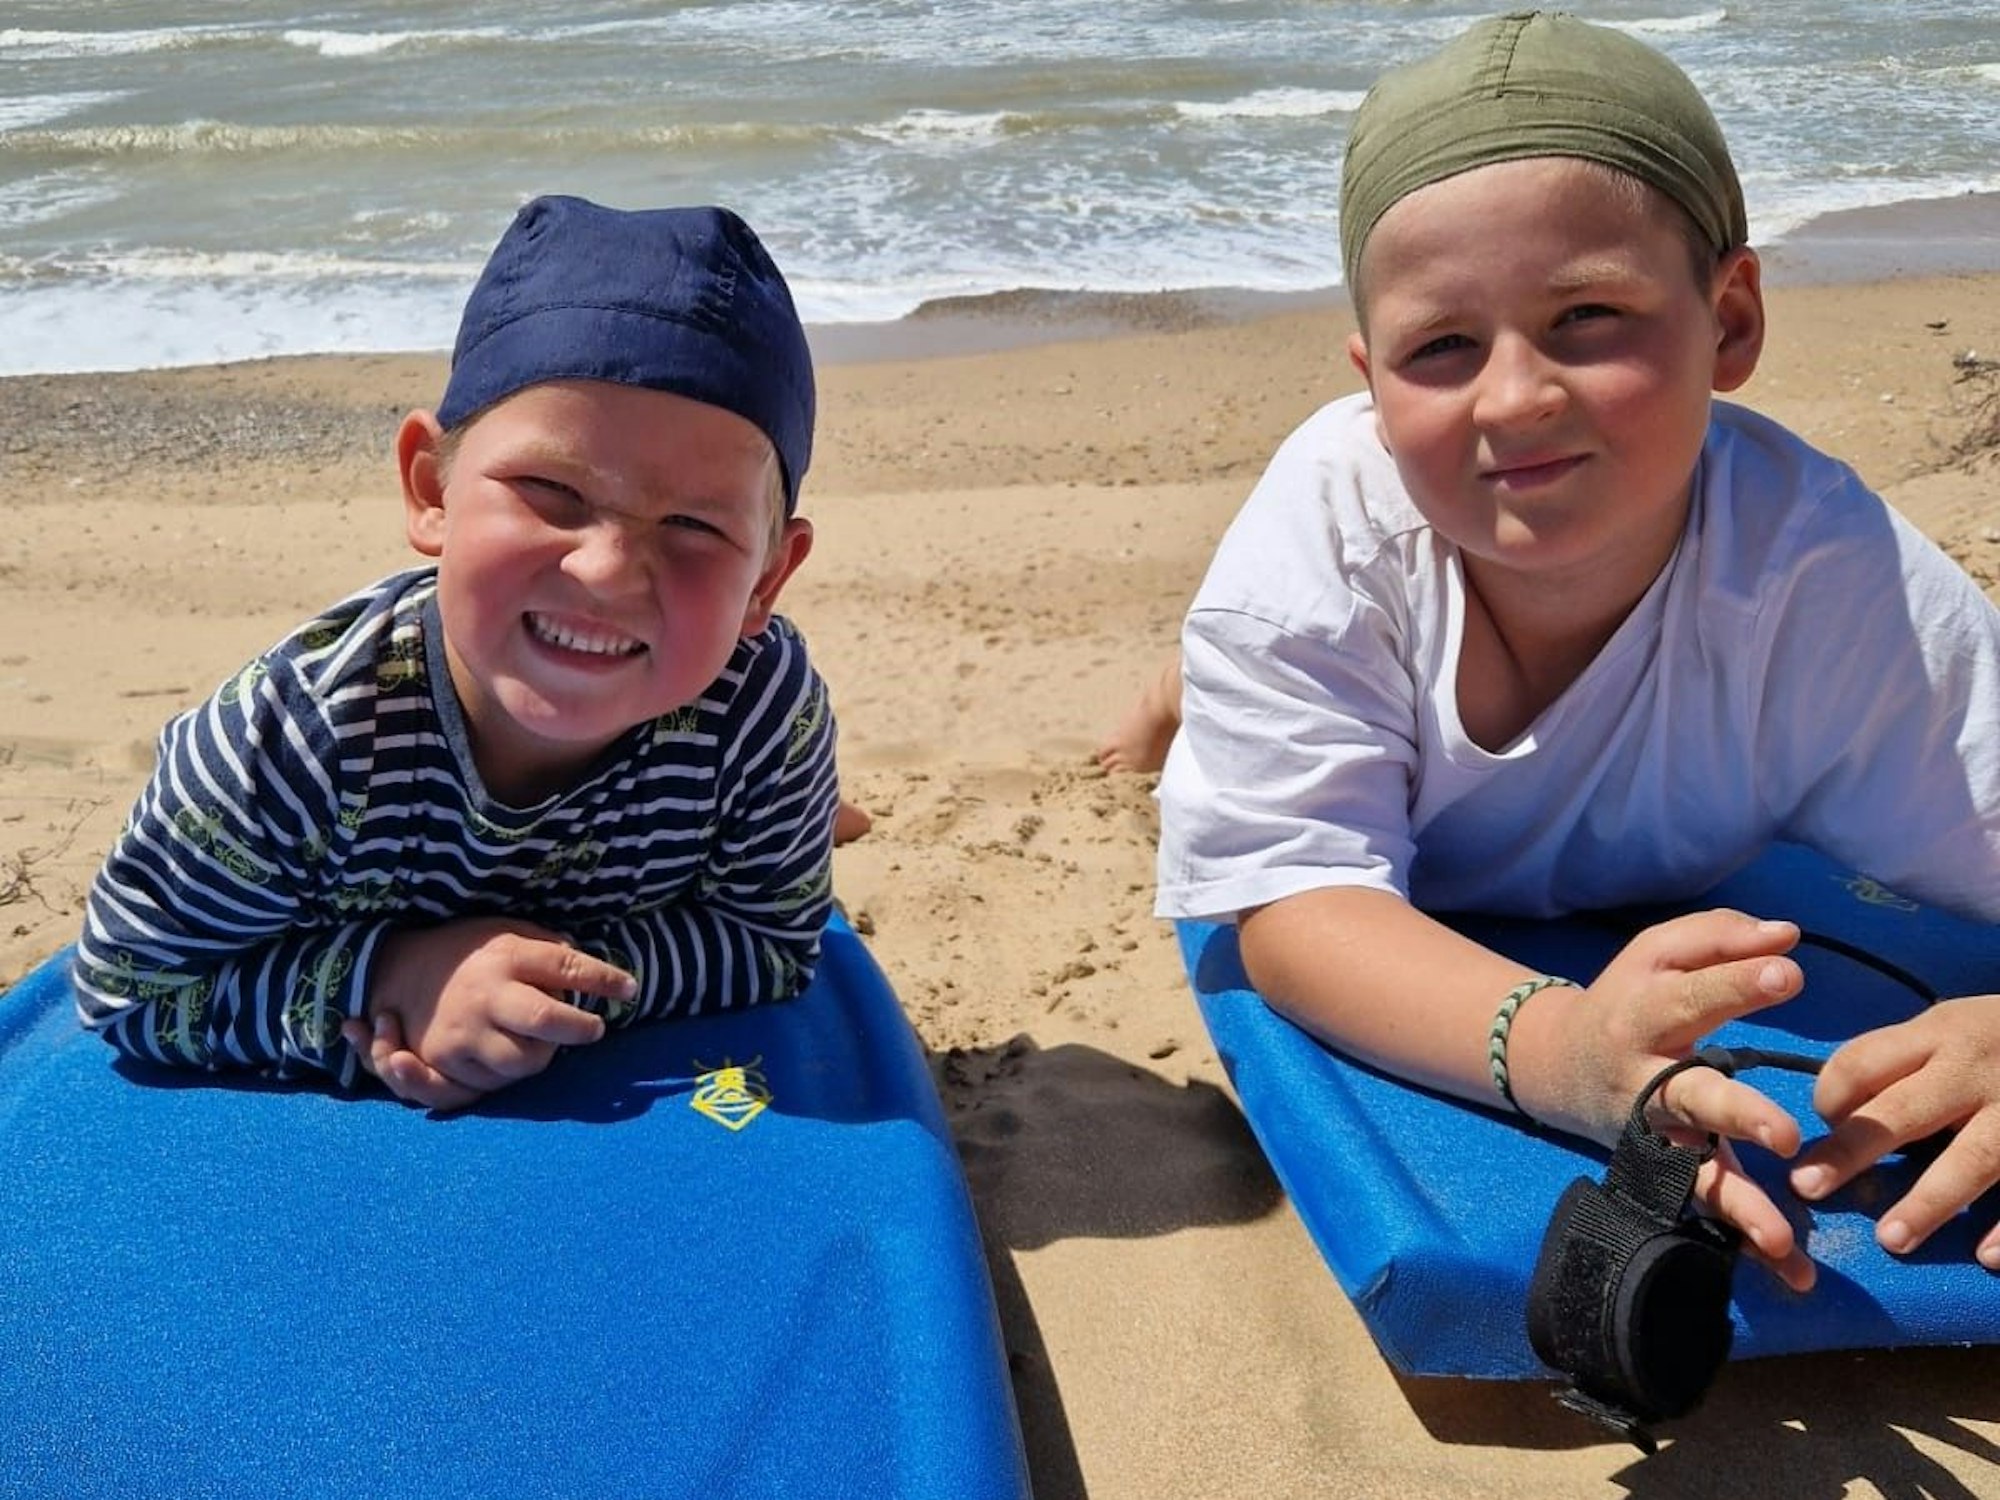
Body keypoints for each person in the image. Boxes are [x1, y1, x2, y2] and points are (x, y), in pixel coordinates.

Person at [1153, 11, 2000, 1283]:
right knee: (1242, 666)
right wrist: (1561, 1054)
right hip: (1375, 740)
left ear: (1727, 321)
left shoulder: (1829, 584)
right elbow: (1291, 896)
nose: (1512, 397)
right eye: (1438, 347)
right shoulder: (1316, 557)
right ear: (1370, 385)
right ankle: (1176, 695)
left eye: (1587, 315)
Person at [74, 194, 865, 1112]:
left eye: (693, 524)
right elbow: (127, 984)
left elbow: (773, 944)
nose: (607, 570)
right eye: (549, 490)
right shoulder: (287, 745)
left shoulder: (762, 716)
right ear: (431, 490)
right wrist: (389, 981)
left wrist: (546, 981)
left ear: (768, 579)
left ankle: (828, 815)